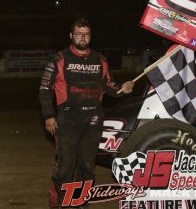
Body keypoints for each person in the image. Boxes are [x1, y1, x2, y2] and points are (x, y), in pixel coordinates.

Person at [39, 18, 134, 208]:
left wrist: (122, 88)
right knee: (65, 168)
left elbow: (109, 85)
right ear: (71, 35)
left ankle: (82, 204)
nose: (83, 37)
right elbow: (44, 89)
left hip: (93, 122)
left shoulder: (100, 60)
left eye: (86, 34)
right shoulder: (59, 59)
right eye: (79, 33)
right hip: (67, 121)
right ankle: (59, 204)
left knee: (87, 167)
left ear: (90, 36)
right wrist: (49, 115)